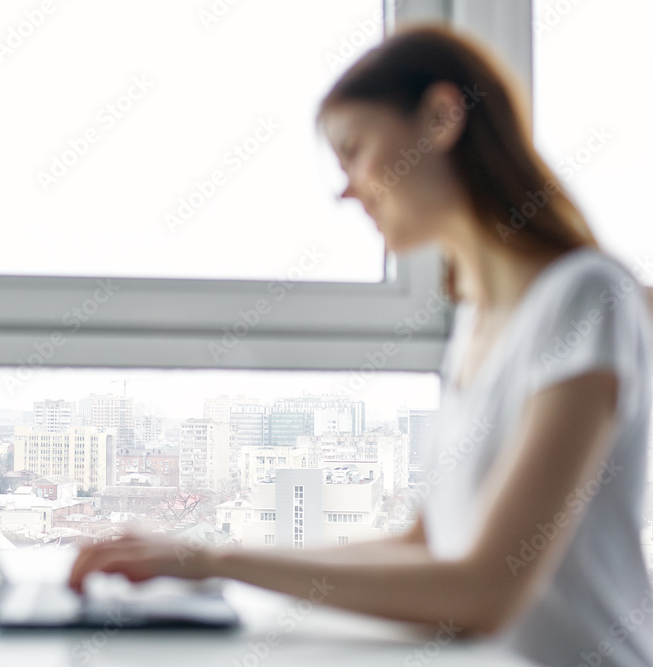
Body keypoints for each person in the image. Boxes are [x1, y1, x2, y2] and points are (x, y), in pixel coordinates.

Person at [68, 23, 653, 667]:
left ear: (441, 117)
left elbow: (485, 589)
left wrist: (214, 559)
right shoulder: (478, 321)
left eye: (353, 149)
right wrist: (206, 564)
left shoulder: (586, 296)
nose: (344, 188)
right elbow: (426, 547)